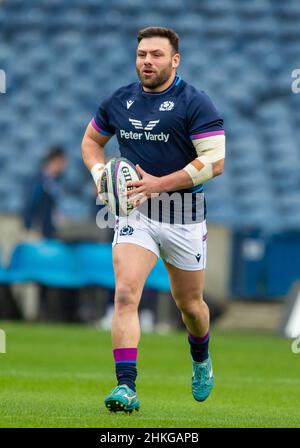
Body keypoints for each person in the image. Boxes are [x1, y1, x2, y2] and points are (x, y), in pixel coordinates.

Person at [81, 27, 225, 413]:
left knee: (190, 306)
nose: (147, 61)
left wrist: (159, 183)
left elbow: (214, 162)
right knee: (126, 294)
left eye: (157, 55)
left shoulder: (196, 102)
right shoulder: (119, 100)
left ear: (174, 60)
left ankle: (201, 359)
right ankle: (126, 387)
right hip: (136, 213)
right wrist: (101, 176)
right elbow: (91, 143)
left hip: (184, 216)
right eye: (142, 54)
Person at [23, 146, 66, 238]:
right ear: (54, 160)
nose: (64, 166)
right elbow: (31, 203)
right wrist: (30, 226)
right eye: (62, 162)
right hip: (36, 231)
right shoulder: (37, 181)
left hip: (50, 232)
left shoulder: (57, 181)